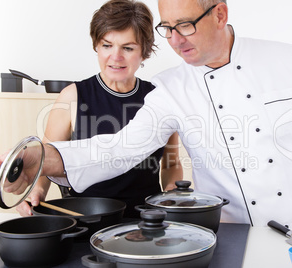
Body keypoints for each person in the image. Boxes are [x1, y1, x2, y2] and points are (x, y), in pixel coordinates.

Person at [0, 0, 292, 230]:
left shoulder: (287, 59)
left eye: (185, 25)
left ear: (220, 13)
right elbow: (118, 149)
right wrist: (40, 158)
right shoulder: (171, 88)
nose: (175, 40)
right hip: (224, 229)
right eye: (168, 28)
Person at [14, 0, 183, 219]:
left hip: (144, 219)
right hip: (85, 217)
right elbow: (46, 159)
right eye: (107, 45)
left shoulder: (158, 98)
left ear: (144, 52)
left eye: (128, 48)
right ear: (96, 45)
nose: (115, 56)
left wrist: (172, 189)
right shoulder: (72, 96)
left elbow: (171, 162)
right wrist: (36, 190)